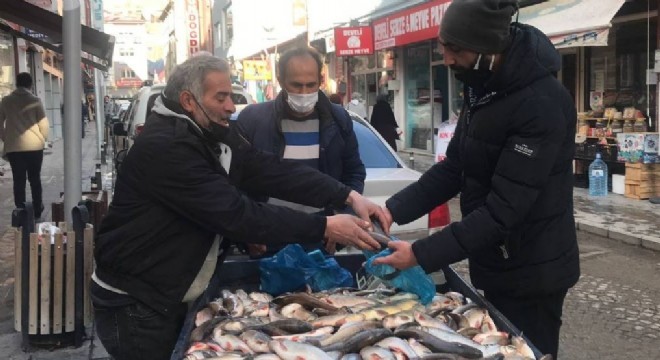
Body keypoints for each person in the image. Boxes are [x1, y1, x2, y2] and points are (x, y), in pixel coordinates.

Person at [91, 54, 388, 360]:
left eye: (231, 96)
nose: (231, 107)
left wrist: (348, 196)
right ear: (188, 101)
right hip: (138, 304)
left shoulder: (208, 132)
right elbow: (236, 214)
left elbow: (269, 169)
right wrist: (325, 226)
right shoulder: (169, 146)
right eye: (221, 98)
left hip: (165, 294)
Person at [373, 1, 579, 358]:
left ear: (488, 49)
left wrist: (421, 254)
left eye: (455, 49)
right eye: (443, 45)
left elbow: (504, 211)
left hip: (534, 271)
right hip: (496, 263)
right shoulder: (483, 88)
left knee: (527, 352)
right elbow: (455, 169)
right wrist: (392, 210)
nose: (447, 58)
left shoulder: (541, 103)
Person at [236, 46, 366, 254]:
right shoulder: (253, 120)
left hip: (323, 235)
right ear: (280, 81)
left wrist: (341, 217)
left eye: (311, 85)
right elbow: (238, 181)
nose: (304, 93)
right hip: (269, 235)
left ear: (321, 80)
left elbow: (354, 173)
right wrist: (247, 232)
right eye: (296, 85)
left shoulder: (339, 120)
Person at [0, 72, 49, 218]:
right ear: (30, 84)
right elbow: (44, 125)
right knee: (35, 178)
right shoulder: (35, 100)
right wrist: (42, 138)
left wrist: (5, 137)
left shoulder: (6, 101)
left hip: (14, 148)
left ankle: (20, 211)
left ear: (17, 84)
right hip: (34, 147)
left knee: (18, 180)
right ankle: (37, 208)